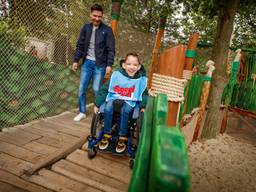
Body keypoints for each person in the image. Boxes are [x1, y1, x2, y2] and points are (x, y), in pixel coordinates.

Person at [94, 53, 148, 153]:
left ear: (139, 66)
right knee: (108, 108)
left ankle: (122, 136)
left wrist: (142, 106)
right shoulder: (117, 75)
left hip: (130, 100)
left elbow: (143, 93)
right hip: (115, 96)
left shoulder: (140, 79)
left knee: (126, 110)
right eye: (129, 64)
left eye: (135, 65)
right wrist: (97, 104)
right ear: (124, 65)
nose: (132, 67)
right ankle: (107, 133)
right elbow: (105, 89)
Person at [72, 4, 115, 121]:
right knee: (81, 89)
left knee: (97, 89)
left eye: (99, 16)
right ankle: (82, 112)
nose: (96, 18)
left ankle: (100, 112)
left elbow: (111, 49)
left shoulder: (107, 30)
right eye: (94, 15)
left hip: (100, 65)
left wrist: (109, 65)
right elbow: (80, 46)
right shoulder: (86, 28)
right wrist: (76, 60)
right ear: (90, 14)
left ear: (102, 16)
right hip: (87, 63)